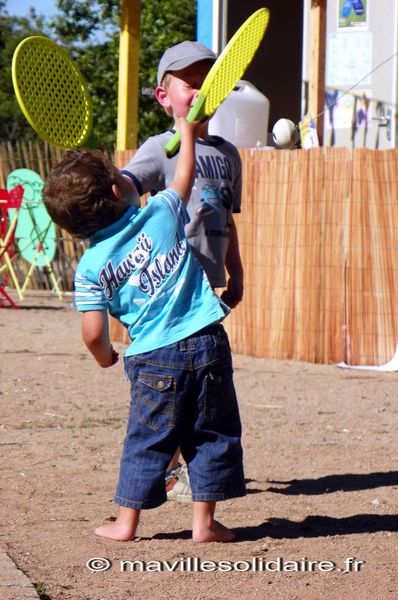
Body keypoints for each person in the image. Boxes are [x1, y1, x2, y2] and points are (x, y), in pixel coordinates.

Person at [42, 119, 246, 543]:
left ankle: (126, 523)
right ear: (120, 191)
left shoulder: (90, 268)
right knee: (211, 434)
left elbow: (93, 331)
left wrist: (105, 356)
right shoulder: (160, 212)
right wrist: (187, 135)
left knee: (146, 440)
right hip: (207, 342)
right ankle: (204, 524)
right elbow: (185, 178)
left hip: (153, 358)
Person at [121, 40, 245, 499]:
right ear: (163, 96)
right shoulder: (158, 149)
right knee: (169, 381)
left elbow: (225, 218)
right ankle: (162, 468)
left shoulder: (229, 154)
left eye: (208, 81)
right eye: (189, 84)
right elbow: (126, 188)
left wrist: (237, 273)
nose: (199, 91)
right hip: (168, 294)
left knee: (202, 386)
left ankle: (184, 464)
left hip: (207, 291)